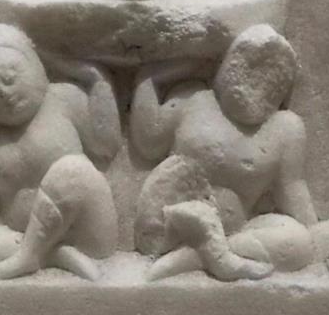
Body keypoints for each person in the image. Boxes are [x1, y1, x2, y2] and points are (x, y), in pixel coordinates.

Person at [130, 25, 316, 280]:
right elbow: (148, 142)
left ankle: (200, 257)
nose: (257, 83)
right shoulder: (195, 99)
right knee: (196, 216)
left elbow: (292, 189)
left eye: (273, 76)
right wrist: (148, 79)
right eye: (248, 67)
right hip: (175, 223)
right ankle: (210, 252)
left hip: (240, 231)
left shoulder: (285, 128)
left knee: (299, 241)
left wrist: (314, 234)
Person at [0, 25, 121, 280]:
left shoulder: (64, 99)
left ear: (35, 67)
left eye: (9, 79)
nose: (3, 94)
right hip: (15, 234)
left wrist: (99, 83)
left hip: (84, 233)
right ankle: (50, 255)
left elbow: (106, 148)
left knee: (72, 169)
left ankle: (29, 255)